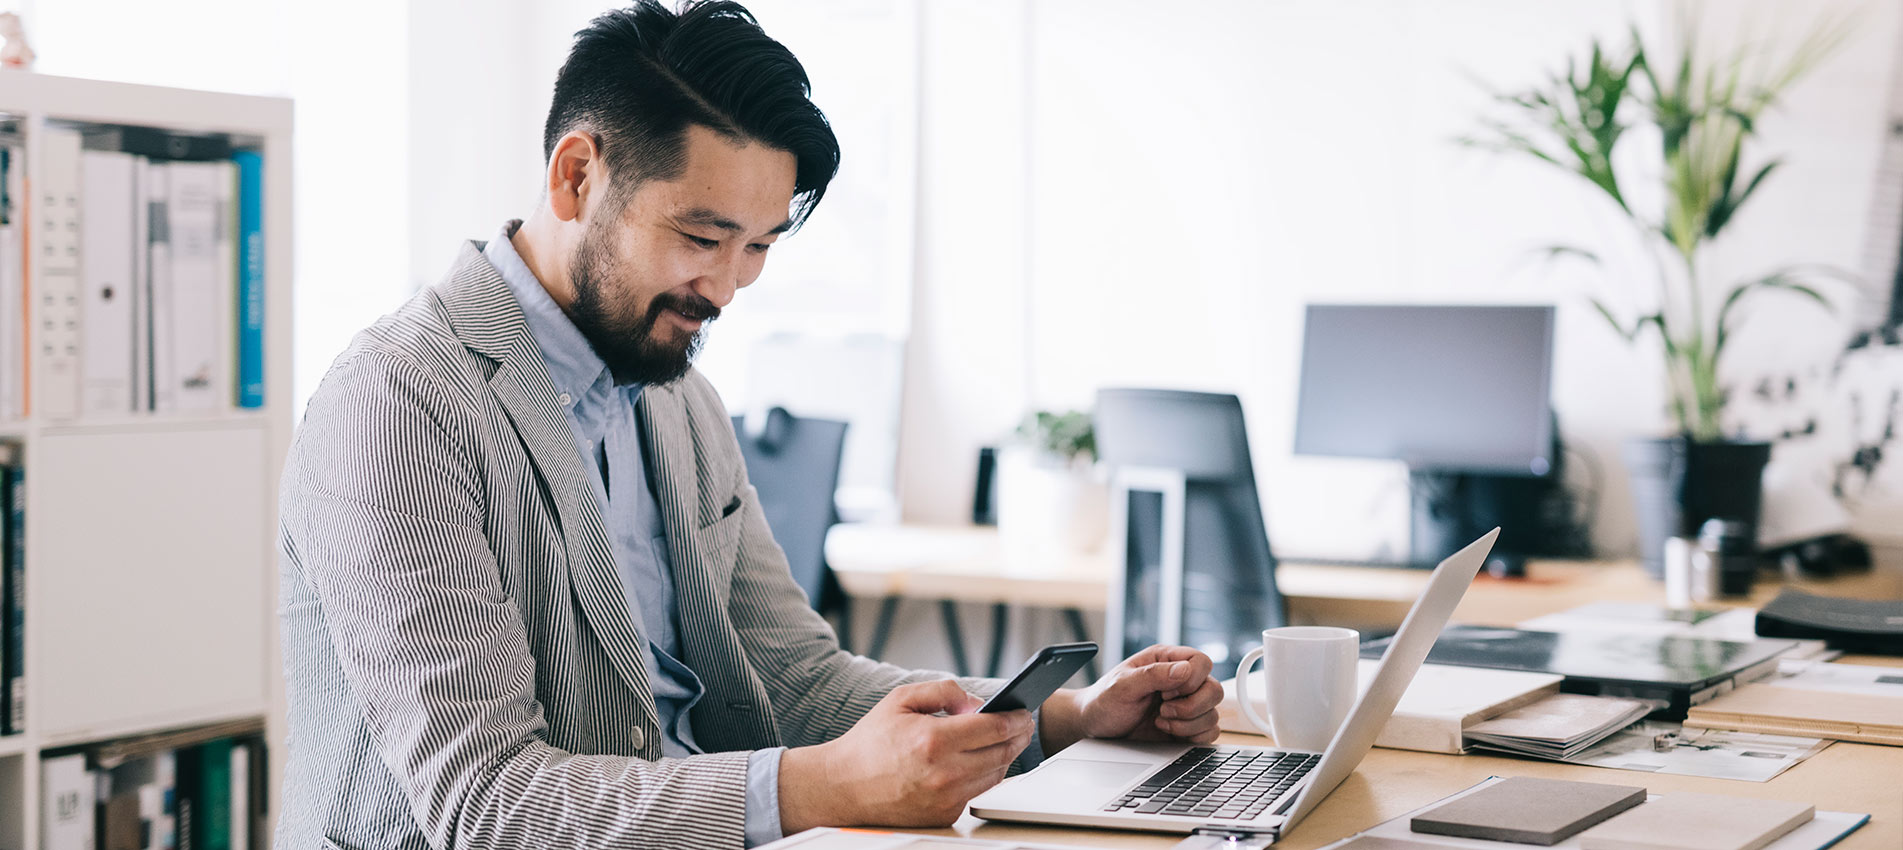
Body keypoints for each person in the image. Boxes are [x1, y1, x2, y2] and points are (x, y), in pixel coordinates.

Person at [276, 3, 1223, 848]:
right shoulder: (400, 402)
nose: (727, 287)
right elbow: (484, 805)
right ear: (576, 177)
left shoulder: (675, 396)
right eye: (699, 238)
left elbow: (795, 678)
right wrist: (827, 784)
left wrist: (1064, 719)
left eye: (759, 246)